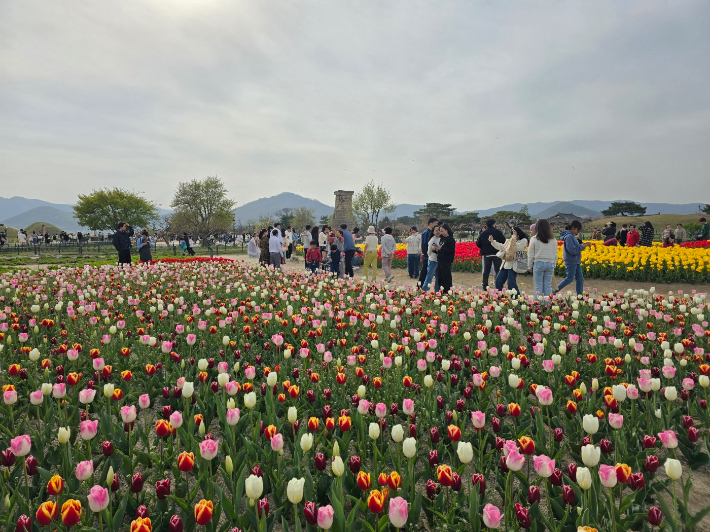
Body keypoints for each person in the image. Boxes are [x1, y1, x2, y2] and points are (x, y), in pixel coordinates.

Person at [554, 220, 590, 296]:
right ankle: (553, 291)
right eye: (578, 229)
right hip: (571, 261)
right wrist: (582, 246)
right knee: (569, 278)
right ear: (573, 228)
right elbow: (572, 251)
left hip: (575, 261)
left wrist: (582, 245)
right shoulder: (569, 236)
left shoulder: (571, 236)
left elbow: (575, 248)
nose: (578, 232)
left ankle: (579, 296)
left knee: (580, 279)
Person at [490, 226, 528, 295]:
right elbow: (502, 246)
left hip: (514, 265)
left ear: (519, 234)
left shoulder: (524, 240)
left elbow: (516, 248)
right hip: (505, 264)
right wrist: (493, 241)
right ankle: (500, 298)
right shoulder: (511, 240)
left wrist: (513, 238)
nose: (513, 235)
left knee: (511, 284)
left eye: (515, 233)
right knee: (498, 282)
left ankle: (517, 300)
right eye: (512, 233)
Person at [527, 218, 558, 297]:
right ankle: (548, 305)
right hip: (550, 264)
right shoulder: (553, 239)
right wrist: (554, 264)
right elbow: (555, 254)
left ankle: (538, 306)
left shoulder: (534, 239)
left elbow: (531, 254)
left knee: (538, 286)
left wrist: (529, 266)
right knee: (548, 286)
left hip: (538, 263)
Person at [476, 219, 506, 290]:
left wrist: (484, 247)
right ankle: (499, 286)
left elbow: (478, 243)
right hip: (497, 254)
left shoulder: (483, 233)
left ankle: (485, 285)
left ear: (486, 225)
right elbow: (503, 241)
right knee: (498, 270)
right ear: (494, 224)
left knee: (486, 271)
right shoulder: (498, 232)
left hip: (487, 254)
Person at [417, 218, 439, 287]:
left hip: (432, 256)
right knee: (424, 272)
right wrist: (426, 255)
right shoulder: (426, 232)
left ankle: (422, 286)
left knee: (429, 273)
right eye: (435, 223)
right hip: (427, 256)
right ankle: (419, 286)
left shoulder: (432, 232)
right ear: (431, 223)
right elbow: (424, 245)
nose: (437, 225)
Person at [436, 223, 456, 294]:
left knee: (446, 276)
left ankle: (448, 291)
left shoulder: (451, 239)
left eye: (442, 231)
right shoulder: (442, 239)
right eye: (440, 231)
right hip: (440, 260)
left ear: (447, 230)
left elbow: (451, 250)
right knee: (440, 276)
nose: (441, 232)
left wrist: (441, 248)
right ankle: (441, 290)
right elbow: (440, 248)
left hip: (446, 260)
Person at [422, 226, 442, 292]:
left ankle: (437, 291)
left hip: (439, 260)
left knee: (438, 277)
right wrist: (431, 256)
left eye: (439, 230)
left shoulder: (440, 239)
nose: (438, 232)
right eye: (436, 230)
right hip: (433, 260)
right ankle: (424, 290)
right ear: (433, 232)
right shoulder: (432, 239)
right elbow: (429, 251)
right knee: (429, 277)